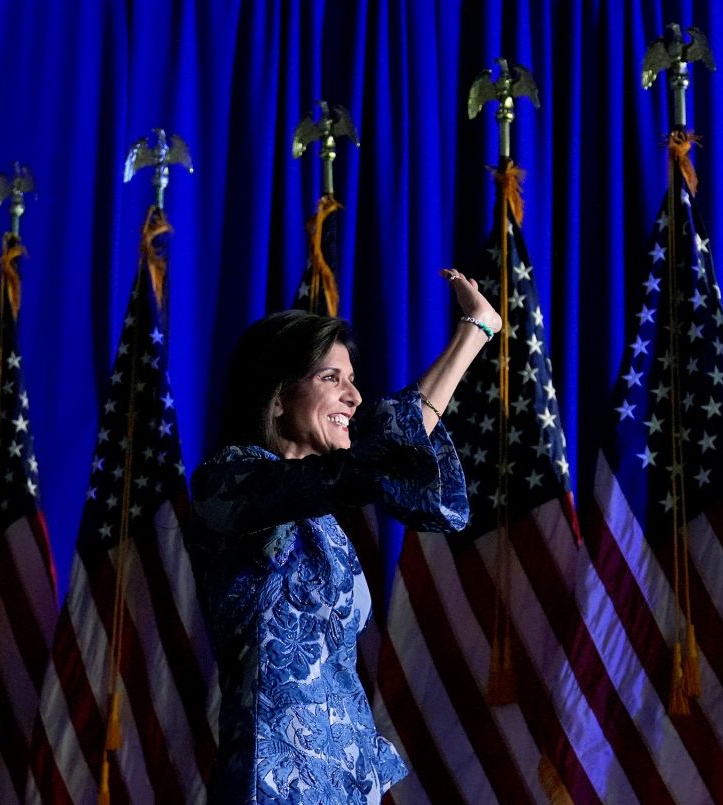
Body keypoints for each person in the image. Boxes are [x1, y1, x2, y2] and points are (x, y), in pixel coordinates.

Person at [190, 269, 500, 803]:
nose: (354, 397)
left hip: (349, 781)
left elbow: (378, 457)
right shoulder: (227, 482)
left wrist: (478, 329)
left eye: (352, 379)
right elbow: (365, 463)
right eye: (332, 378)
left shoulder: (325, 520)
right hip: (273, 785)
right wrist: (470, 334)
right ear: (278, 396)